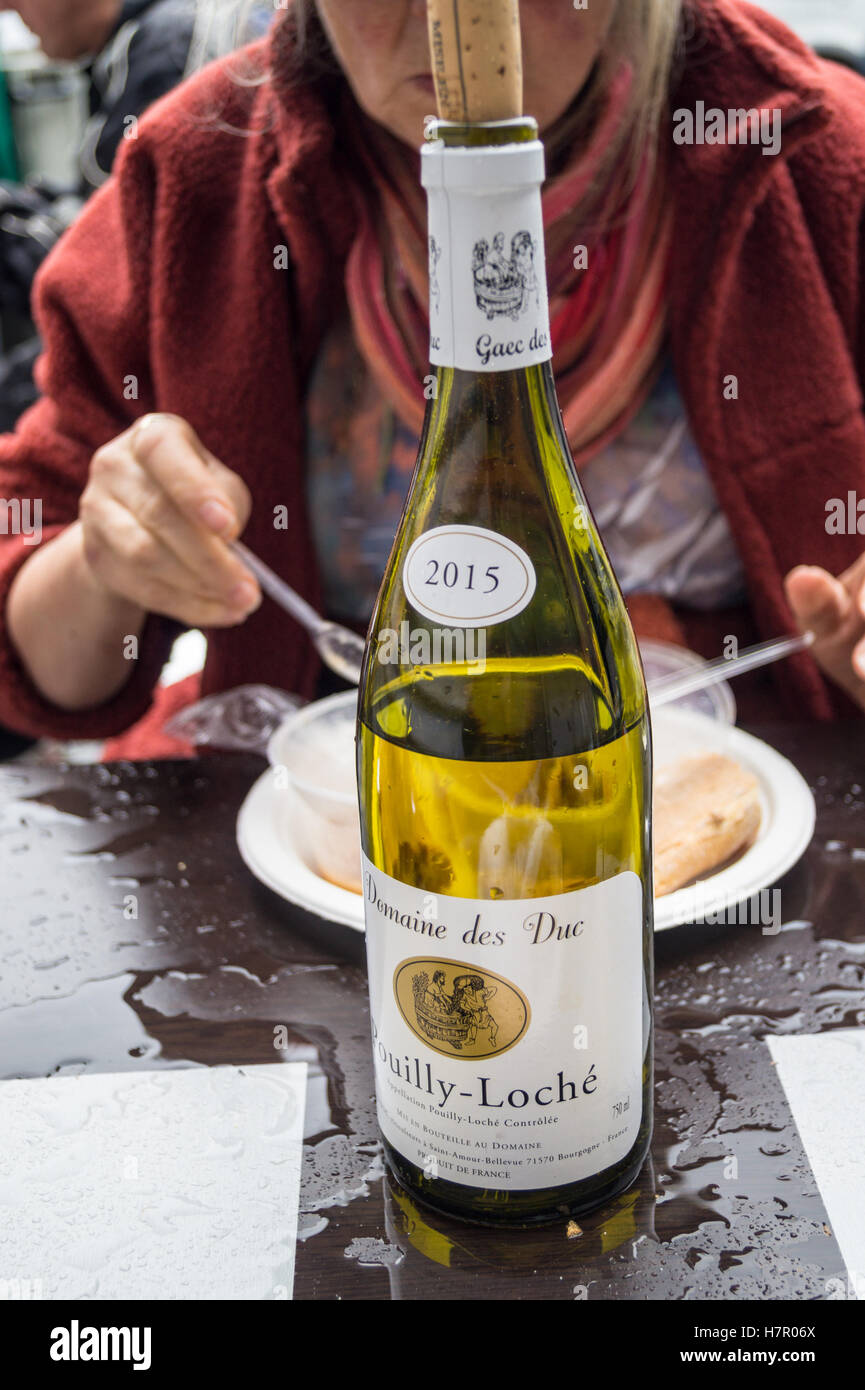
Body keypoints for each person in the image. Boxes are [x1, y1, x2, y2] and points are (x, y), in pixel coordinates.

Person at [0, 0, 863, 762]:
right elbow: (32, 640)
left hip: (741, 808)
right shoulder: (196, 177)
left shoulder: (805, 145)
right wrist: (106, 560)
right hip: (340, 818)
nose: (459, 21)